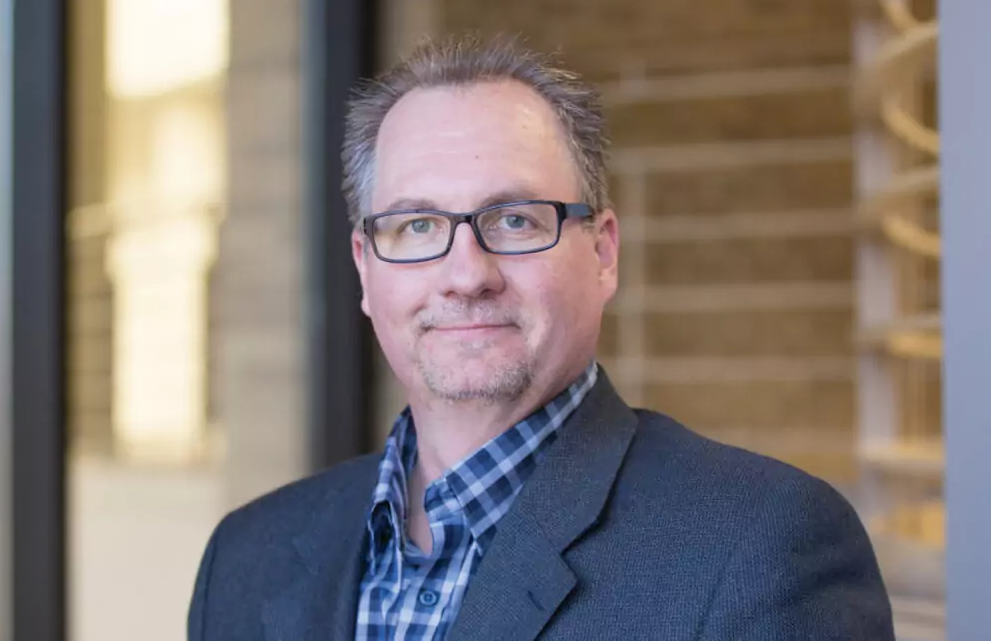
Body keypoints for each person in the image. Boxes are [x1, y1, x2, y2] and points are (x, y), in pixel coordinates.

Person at [187, 34, 895, 641]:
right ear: (365, 269)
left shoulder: (763, 546)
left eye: (517, 220)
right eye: (417, 226)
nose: (466, 274)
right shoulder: (247, 557)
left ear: (604, 251)